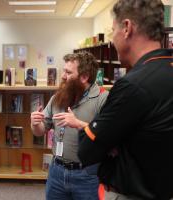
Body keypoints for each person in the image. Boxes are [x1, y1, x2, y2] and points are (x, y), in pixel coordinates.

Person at [72, 0, 173, 199]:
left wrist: (115, 140)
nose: (112, 40)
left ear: (126, 28)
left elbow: (86, 149)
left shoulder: (133, 85)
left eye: (112, 31)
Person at [31, 52, 108, 200]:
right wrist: (35, 123)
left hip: (87, 175)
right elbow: (40, 131)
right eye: (63, 71)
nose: (63, 76)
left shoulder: (102, 99)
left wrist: (79, 124)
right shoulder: (58, 97)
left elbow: (108, 137)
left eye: (68, 72)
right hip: (57, 171)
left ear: (84, 77)